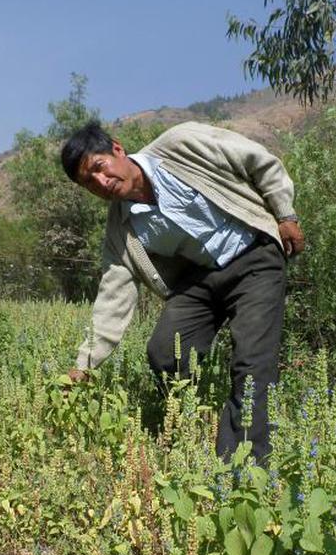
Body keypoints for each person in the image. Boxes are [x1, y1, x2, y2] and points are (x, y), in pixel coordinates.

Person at [61, 120, 304, 462]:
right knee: (165, 353)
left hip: (254, 255)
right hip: (202, 276)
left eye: (99, 168)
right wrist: (85, 364)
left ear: (117, 148)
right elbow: (113, 295)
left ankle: (242, 472)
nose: (101, 182)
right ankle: (191, 422)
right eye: (89, 183)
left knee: (252, 366)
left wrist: (285, 213)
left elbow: (257, 160)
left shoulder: (181, 145)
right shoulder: (122, 228)